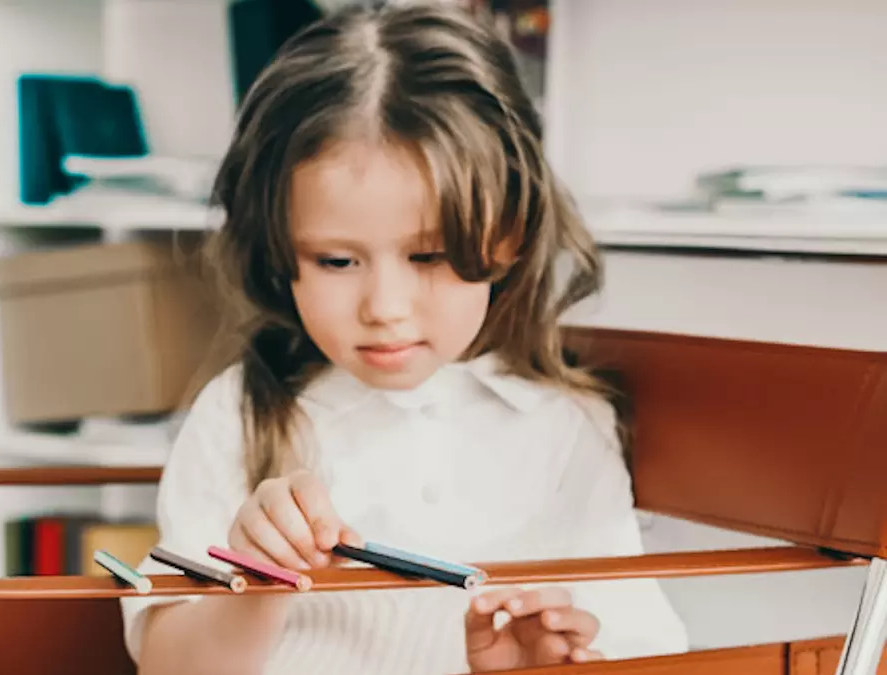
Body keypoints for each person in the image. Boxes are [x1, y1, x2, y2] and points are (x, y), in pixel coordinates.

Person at [119, 3, 689, 674]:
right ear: (281, 252)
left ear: (507, 236)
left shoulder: (566, 426)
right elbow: (167, 665)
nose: (384, 308)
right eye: (336, 261)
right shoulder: (240, 413)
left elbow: (635, 647)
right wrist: (256, 582)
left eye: (429, 257)